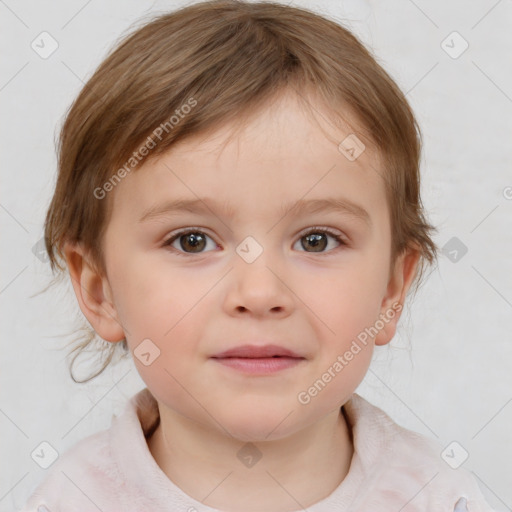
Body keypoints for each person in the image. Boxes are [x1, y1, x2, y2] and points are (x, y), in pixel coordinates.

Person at [22, 1, 496, 510]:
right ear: (100, 290)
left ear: (391, 289)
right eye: (192, 241)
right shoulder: (72, 501)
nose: (260, 293)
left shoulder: (440, 498)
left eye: (317, 240)